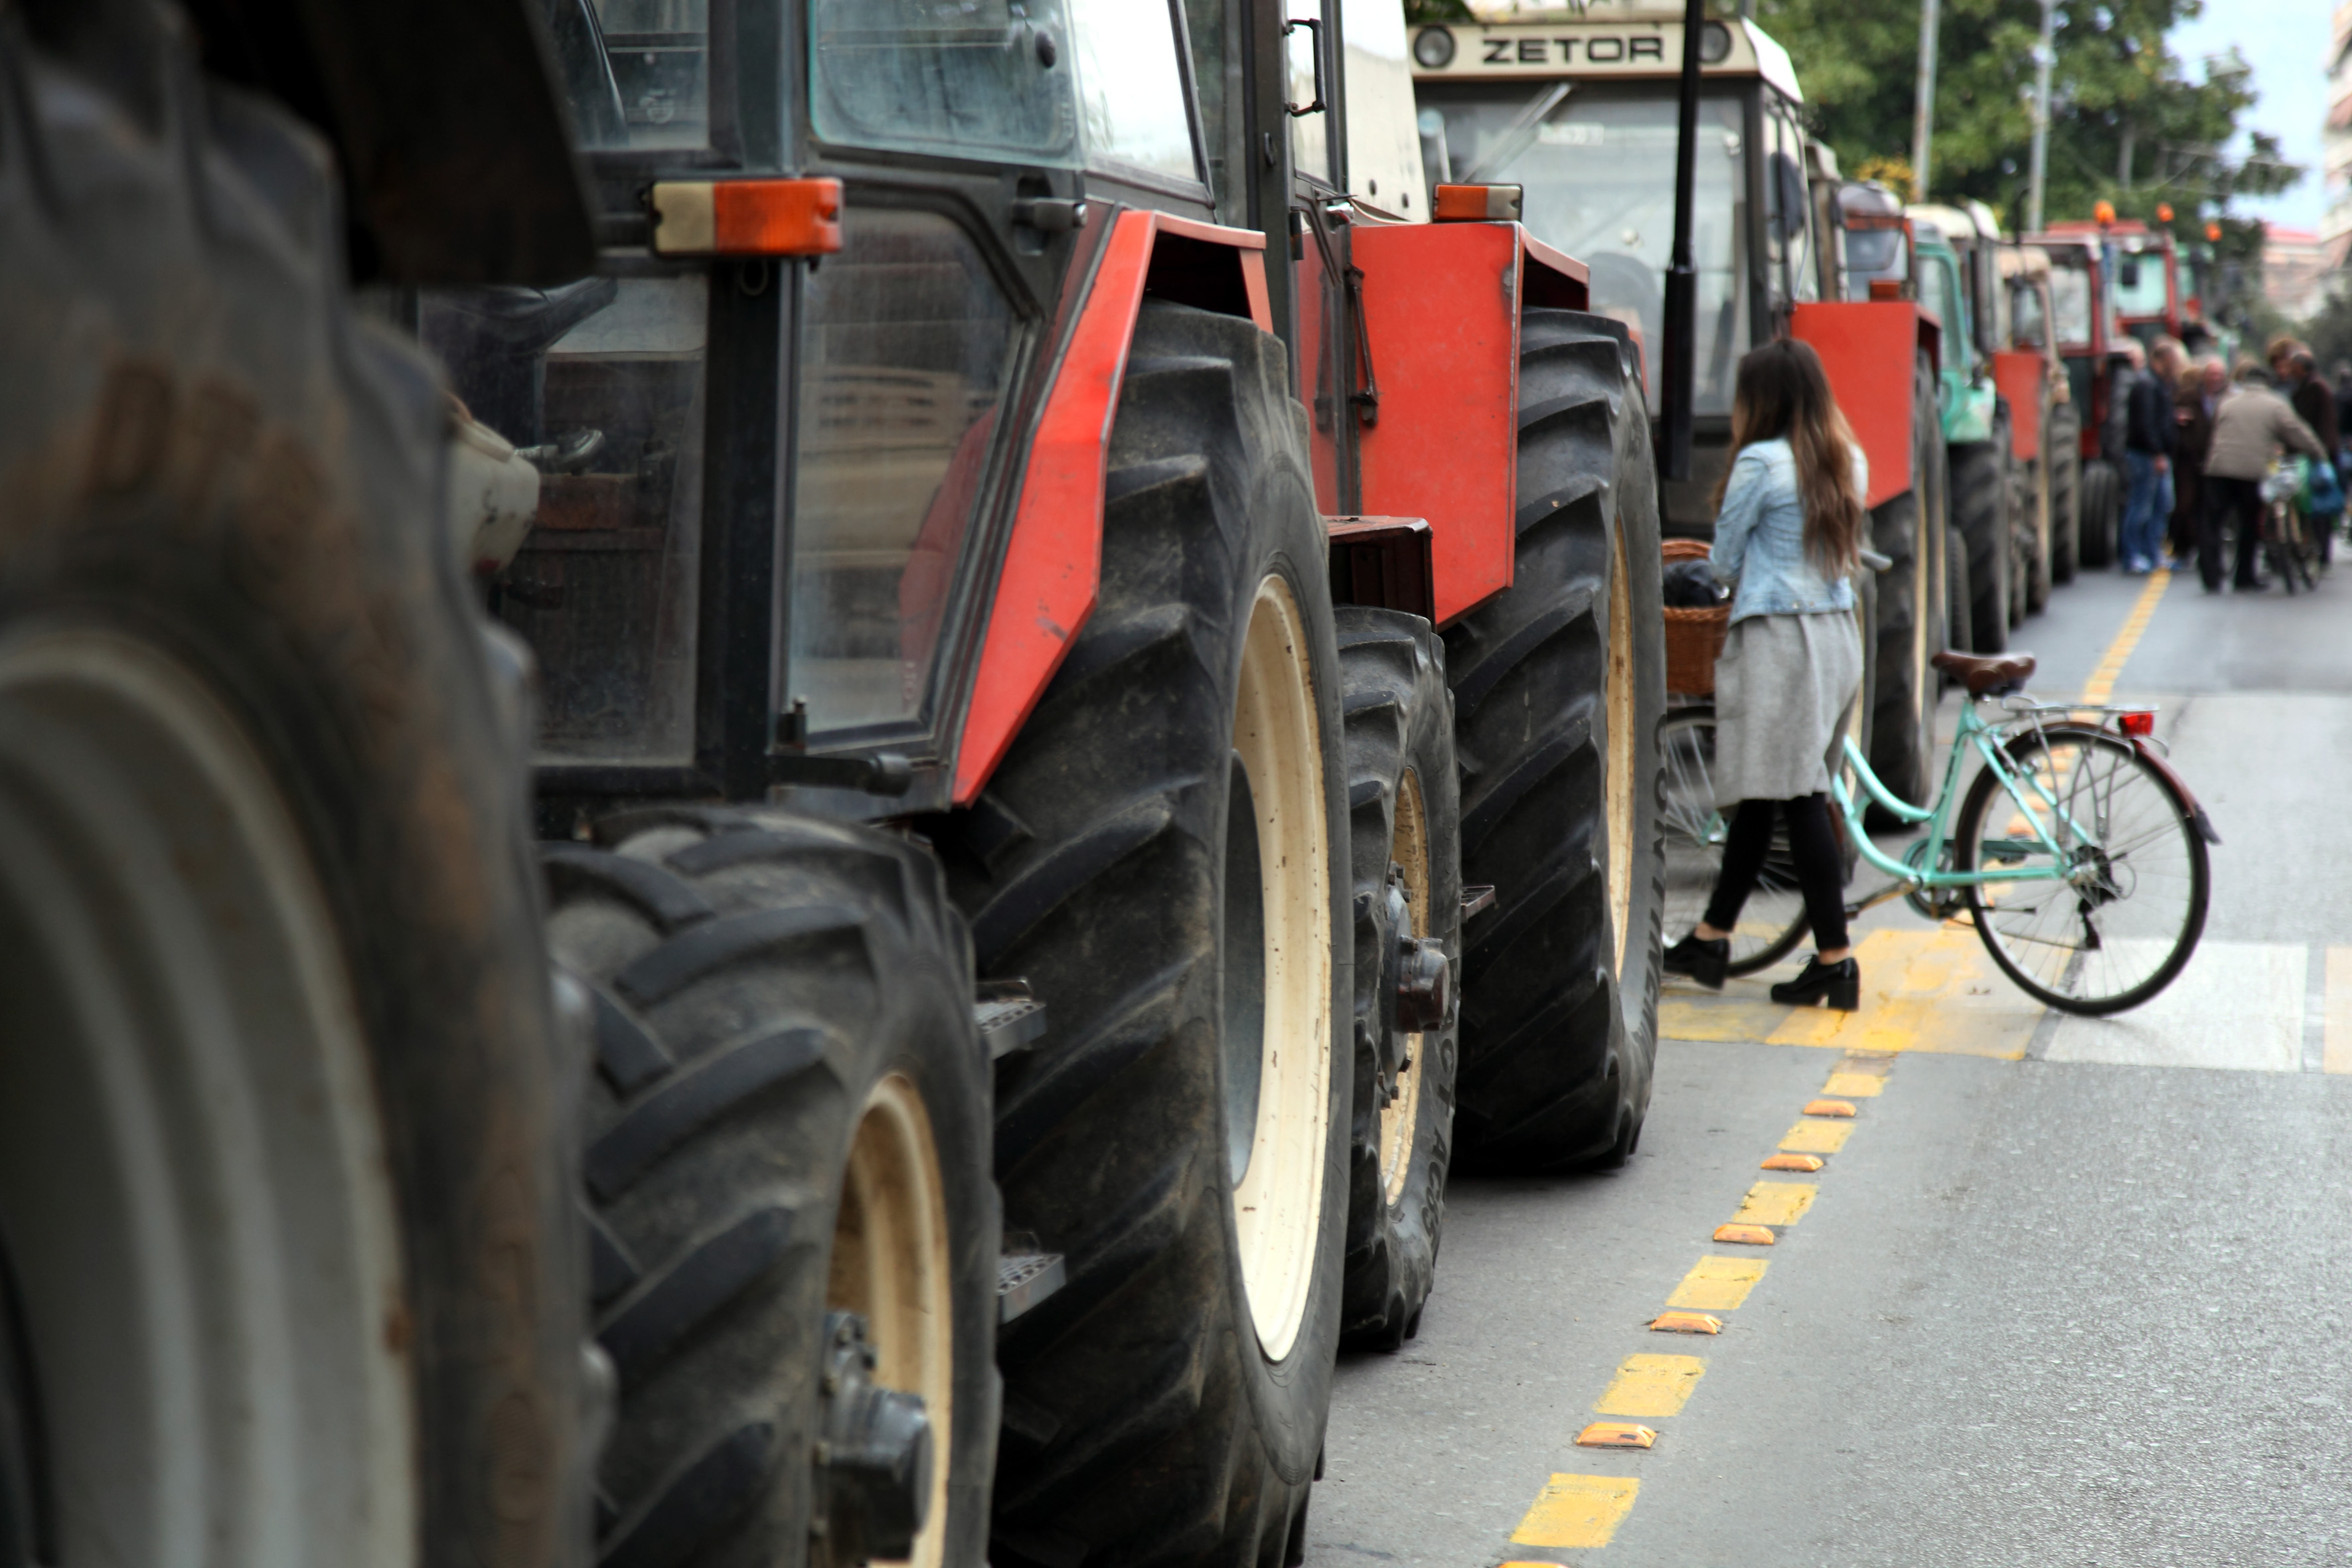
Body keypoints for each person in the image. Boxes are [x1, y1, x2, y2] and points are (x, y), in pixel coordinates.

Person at [1663, 339, 1868, 1011]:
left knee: (1799, 791)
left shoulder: (1759, 462)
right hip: (1838, 635)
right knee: (1767, 790)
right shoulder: (1848, 459)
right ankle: (1713, 936)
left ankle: (1835, 960)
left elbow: (1721, 566)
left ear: (1762, 399)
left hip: (1781, 637)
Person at [2200, 360, 2327, 592]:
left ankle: (2210, 576)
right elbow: (2297, 431)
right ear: (2267, 383)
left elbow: (2214, 430)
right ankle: (2244, 577)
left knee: (2213, 523)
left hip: (2219, 468)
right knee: (2249, 523)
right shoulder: (2275, 404)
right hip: (2252, 471)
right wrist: (2319, 452)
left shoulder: (2227, 401)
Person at [2120, 337, 2179, 573]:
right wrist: (2157, 453)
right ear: (2160, 360)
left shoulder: (2157, 384)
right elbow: (2145, 424)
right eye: (2172, 361)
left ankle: (2153, 553)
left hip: (2153, 454)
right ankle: (2133, 554)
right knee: (2141, 506)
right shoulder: (2147, 385)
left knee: (2160, 505)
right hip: (2146, 455)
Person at [2289, 348, 2345, 560]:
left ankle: (2320, 550)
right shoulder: (2315, 386)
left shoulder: (2313, 388)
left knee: (2316, 503)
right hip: (2321, 449)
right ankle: (2320, 549)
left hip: (2318, 451)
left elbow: (2306, 422)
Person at [2171, 355, 2224, 567]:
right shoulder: (2187, 397)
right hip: (2189, 460)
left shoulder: (2227, 398)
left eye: (2219, 374)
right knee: (2185, 504)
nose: (2215, 378)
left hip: (2216, 460)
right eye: (2212, 374)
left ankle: (2206, 549)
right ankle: (2182, 547)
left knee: (2209, 507)